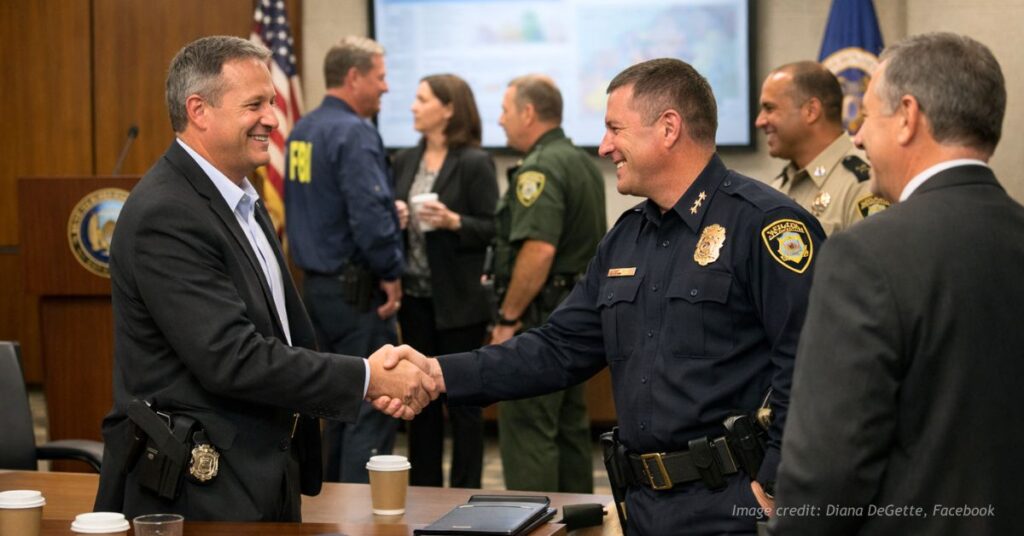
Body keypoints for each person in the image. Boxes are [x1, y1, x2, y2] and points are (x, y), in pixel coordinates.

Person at [379, 58, 827, 534]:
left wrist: (773, 486)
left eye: (616, 128)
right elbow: (557, 349)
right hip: (642, 506)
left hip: (734, 506)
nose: (604, 145)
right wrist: (438, 372)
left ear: (669, 128)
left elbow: (813, 367)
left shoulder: (766, 225)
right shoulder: (627, 236)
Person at [94, 35, 435, 522]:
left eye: (272, 102)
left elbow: (279, 335)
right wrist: (365, 377)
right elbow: (232, 357)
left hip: (259, 470)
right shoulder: (167, 213)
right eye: (255, 104)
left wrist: (360, 368)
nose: (274, 119)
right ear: (199, 110)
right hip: (198, 489)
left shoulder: (239, 199)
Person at [770, 33, 1024, 535]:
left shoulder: (864, 255)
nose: (858, 138)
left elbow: (828, 466)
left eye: (865, 117)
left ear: (908, 116)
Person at [284, 36, 404, 483]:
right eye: (380, 77)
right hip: (357, 295)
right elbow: (369, 218)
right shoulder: (355, 132)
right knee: (369, 406)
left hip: (315, 290)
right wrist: (392, 271)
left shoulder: (302, 129)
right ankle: (362, 520)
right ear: (353, 77)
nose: (386, 88)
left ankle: (331, 511)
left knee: (333, 406)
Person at [489, 74, 606, 493]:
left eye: (505, 110)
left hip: (540, 316)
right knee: (570, 426)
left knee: (529, 428)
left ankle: (533, 522)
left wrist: (507, 318)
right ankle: (577, 520)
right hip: (576, 311)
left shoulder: (539, 167)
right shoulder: (580, 161)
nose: (499, 121)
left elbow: (538, 251)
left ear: (528, 112)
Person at [392, 74, 497, 488]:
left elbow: (492, 227)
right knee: (418, 402)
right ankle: (424, 494)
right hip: (414, 300)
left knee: (464, 404)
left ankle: (467, 492)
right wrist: (396, 218)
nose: (413, 106)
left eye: (422, 99)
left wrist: (453, 221)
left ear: (449, 108)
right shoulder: (403, 159)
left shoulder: (474, 162)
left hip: (460, 301)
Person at [756, 61, 888, 235]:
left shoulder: (864, 183)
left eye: (769, 108)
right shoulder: (779, 185)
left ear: (811, 111)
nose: (759, 121)